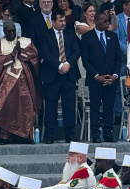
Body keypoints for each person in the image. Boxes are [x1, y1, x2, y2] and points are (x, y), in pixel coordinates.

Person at [0, 19, 42, 144]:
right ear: (4, 32)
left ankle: (25, 135)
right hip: (7, 78)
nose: (12, 34)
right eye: (9, 32)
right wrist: (11, 55)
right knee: (3, 103)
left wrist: (21, 52)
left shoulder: (25, 42)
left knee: (26, 104)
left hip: (24, 77)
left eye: (13, 31)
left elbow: (34, 55)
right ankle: (4, 135)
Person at [38, 10, 81, 144]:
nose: (63, 23)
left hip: (69, 75)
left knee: (69, 105)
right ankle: (50, 134)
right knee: (51, 105)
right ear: (53, 22)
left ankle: (70, 133)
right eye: (60, 21)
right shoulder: (45, 34)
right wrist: (59, 65)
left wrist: (67, 64)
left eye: (64, 20)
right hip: (52, 75)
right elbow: (46, 53)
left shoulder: (70, 33)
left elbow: (76, 51)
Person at [81, 12, 123, 142]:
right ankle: (95, 133)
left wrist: (114, 75)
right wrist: (96, 75)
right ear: (96, 21)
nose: (107, 23)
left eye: (108, 20)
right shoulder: (87, 37)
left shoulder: (113, 36)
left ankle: (108, 132)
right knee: (95, 107)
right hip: (95, 79)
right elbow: (85, 60)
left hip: (110, 79)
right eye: (104, 21)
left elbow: (118, 57)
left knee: (109, 107)